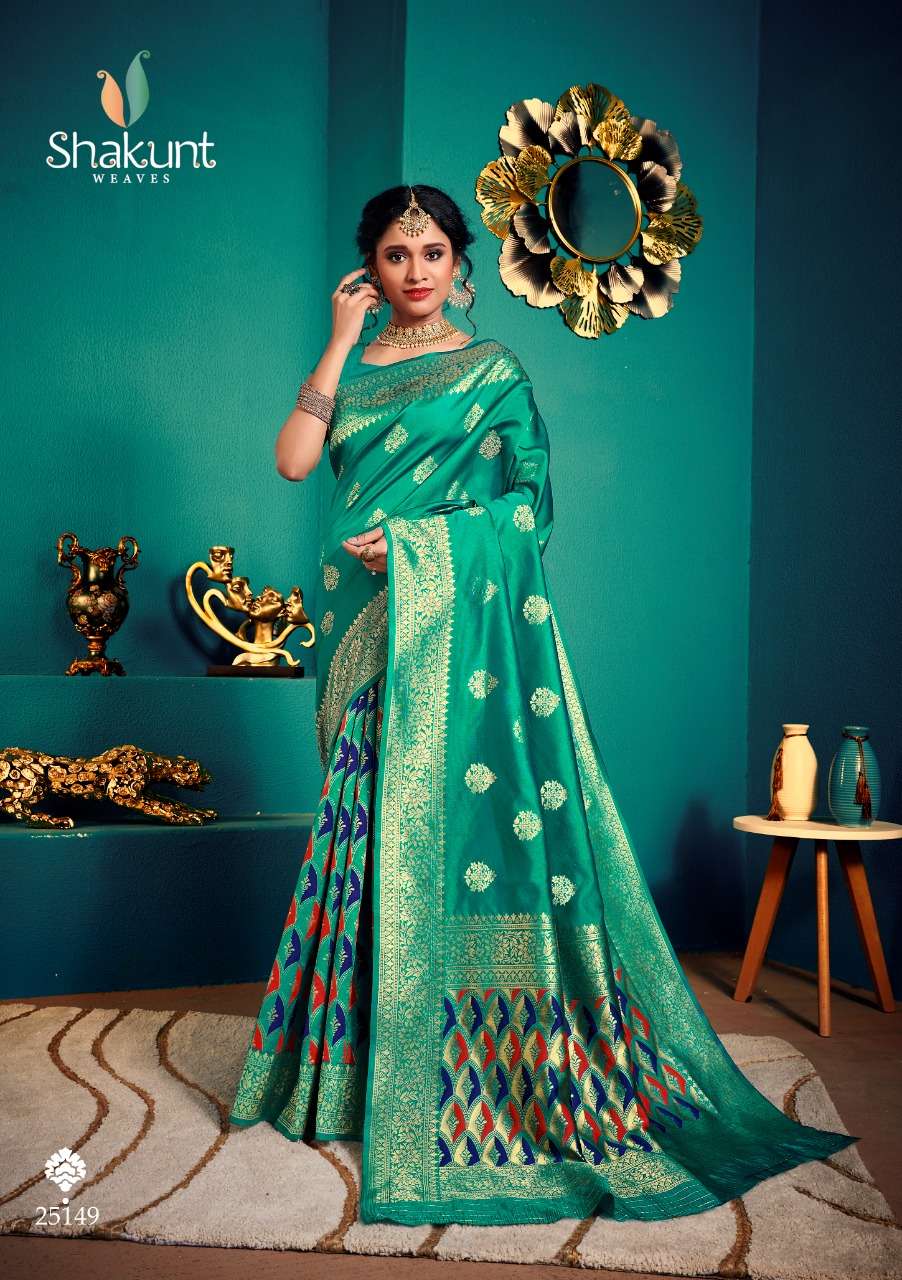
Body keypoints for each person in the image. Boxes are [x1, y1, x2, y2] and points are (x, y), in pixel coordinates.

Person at [227, 184, 858, 1226]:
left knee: (440, 829)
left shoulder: (493, 371)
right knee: (363, 831)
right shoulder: (354, 362)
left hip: (446, 619)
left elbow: (529, 504)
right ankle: (348, 1070)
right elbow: (296, 462)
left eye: (433, 252)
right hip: (357, 622)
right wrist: (338, 343)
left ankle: (461, 1061)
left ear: (459, 262)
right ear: (368, 268)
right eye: (395, 255)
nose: (416, 271)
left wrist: (425, 545)